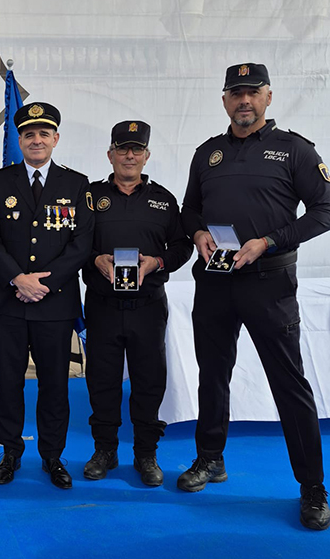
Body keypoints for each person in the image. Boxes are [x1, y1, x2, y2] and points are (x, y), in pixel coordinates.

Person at [179, 63, 330, 531]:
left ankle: (312, 489)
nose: (244, 101)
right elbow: (189, 210)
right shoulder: (208, 154)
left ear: (268, 97)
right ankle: (210, 459)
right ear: (224, 100)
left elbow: (325, 208)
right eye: (235, 93)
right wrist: (199, 232)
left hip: (269, 283)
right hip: (215, 282)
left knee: (290, 385)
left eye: (252, 93)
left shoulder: (295, 150)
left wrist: (270, 240)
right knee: (213, 374)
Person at [0, 102, 94, 488]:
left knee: (54, 385)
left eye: (44, 133)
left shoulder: (76, 184)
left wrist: (42, 283)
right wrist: (17, 278)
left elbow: (82, 244)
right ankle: (10, 452)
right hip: (8, 303)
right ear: (19, 140)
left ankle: (52, 456)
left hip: (55, 303)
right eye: (29, 134)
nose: (36, 140)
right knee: (8, 382)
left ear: (55, 139)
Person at [81, 121, 192, 486]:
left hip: (147, 306)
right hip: (102, 305)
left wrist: (157, 263)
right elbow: (73, 245)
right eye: (122, 148)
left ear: (146, 156)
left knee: (148, 382)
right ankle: (105, 450)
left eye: (137, 150)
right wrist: (93, 259)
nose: (130, 155)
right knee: (102, 380)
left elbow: (182, 247)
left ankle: (146, 453)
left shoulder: (164, 200)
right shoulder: (90, 196)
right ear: (110, 154)